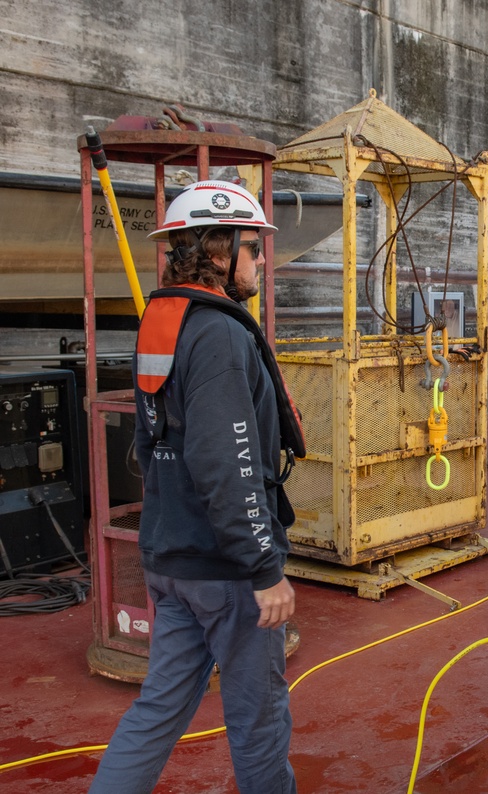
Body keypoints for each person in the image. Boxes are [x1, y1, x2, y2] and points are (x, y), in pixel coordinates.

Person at [89, 181, 298, 794]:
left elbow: (156, 445)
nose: (262, 260)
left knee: (158, 711)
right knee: (258, 723)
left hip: (171, 561)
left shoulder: (163, 320)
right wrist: (263, 568)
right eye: (254, 248)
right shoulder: (220, 334)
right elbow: (225, 460)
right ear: (217, 249)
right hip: (224, 570)